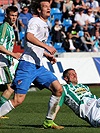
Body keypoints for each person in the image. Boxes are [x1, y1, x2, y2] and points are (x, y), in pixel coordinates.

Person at [0, 0, 64, 130]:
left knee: (58, 89)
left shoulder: (46, 24)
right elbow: (29, 37)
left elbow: (33, 46)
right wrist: (46, 46)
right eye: (45, 6)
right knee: (18, 100)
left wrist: (46, 54)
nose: (48, 9)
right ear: (39, 10)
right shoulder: (35, 21)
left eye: (49, 6)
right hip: (27, 65)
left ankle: (48, 122)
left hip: (38, 66)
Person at [0, 6, 21, 108]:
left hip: (6, 60)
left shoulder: (11, 28)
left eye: (15, 15)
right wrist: (12, 54)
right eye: (12, 15)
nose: (14, 18)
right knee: (10, 87)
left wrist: (10, 58)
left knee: (9, 87)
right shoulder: (4, 27)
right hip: (1, 61)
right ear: (6, 15)